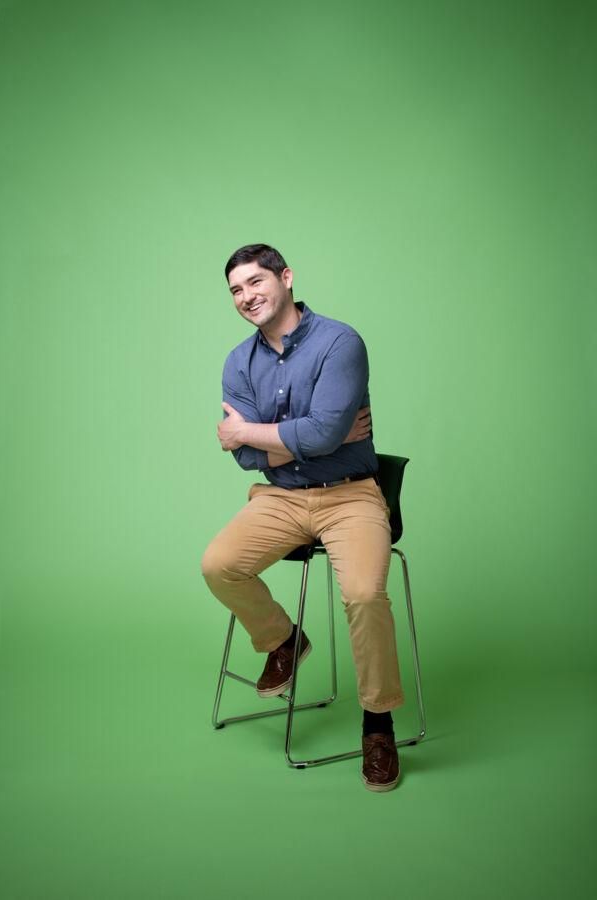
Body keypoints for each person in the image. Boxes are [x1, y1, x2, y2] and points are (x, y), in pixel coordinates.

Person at [201, 243, 405, 791]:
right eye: (236, 290)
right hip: (281, 499)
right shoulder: (237, 363)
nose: (246, 296)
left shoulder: (341, 342)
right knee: (218, 565)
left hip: (352, 496)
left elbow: (304, 435)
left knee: (364, 594)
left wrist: (254, 433)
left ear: (286, 277)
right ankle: (284, 641)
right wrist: (308, 435)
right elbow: (254, 454)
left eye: (254, 282)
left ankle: (378, 725)